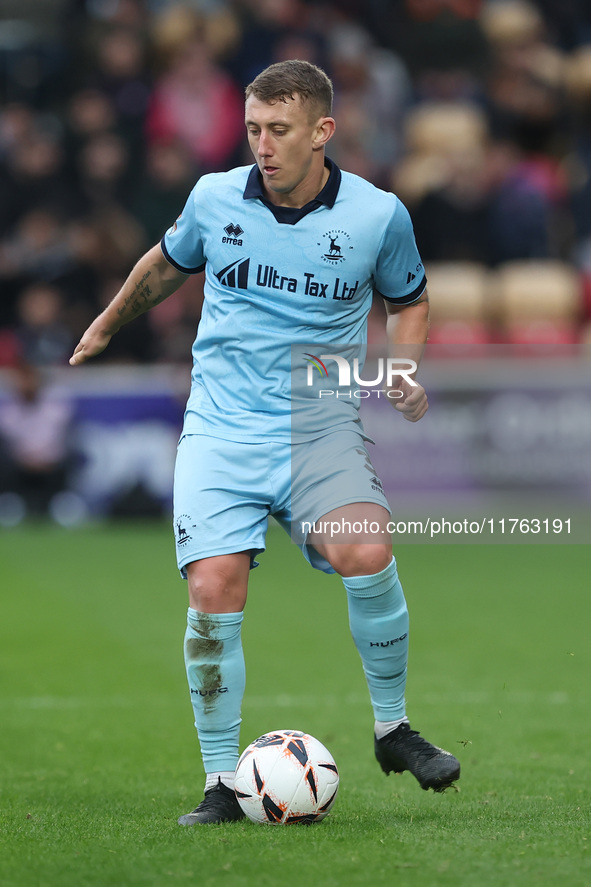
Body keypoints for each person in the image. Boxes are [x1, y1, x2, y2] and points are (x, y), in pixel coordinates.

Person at [69, 59, 460, 825]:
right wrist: (108, 322)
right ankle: (221, 782)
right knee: (214, 588)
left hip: (317, 423)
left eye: (278, 130)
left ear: (323, 131)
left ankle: (392, 728)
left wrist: (404, 369)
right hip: (221, 426)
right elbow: (165, 265)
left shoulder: (378, 215)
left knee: (367, 549)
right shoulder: (215, 197)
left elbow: (408, 299)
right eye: (252, 128)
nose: (262, 144)